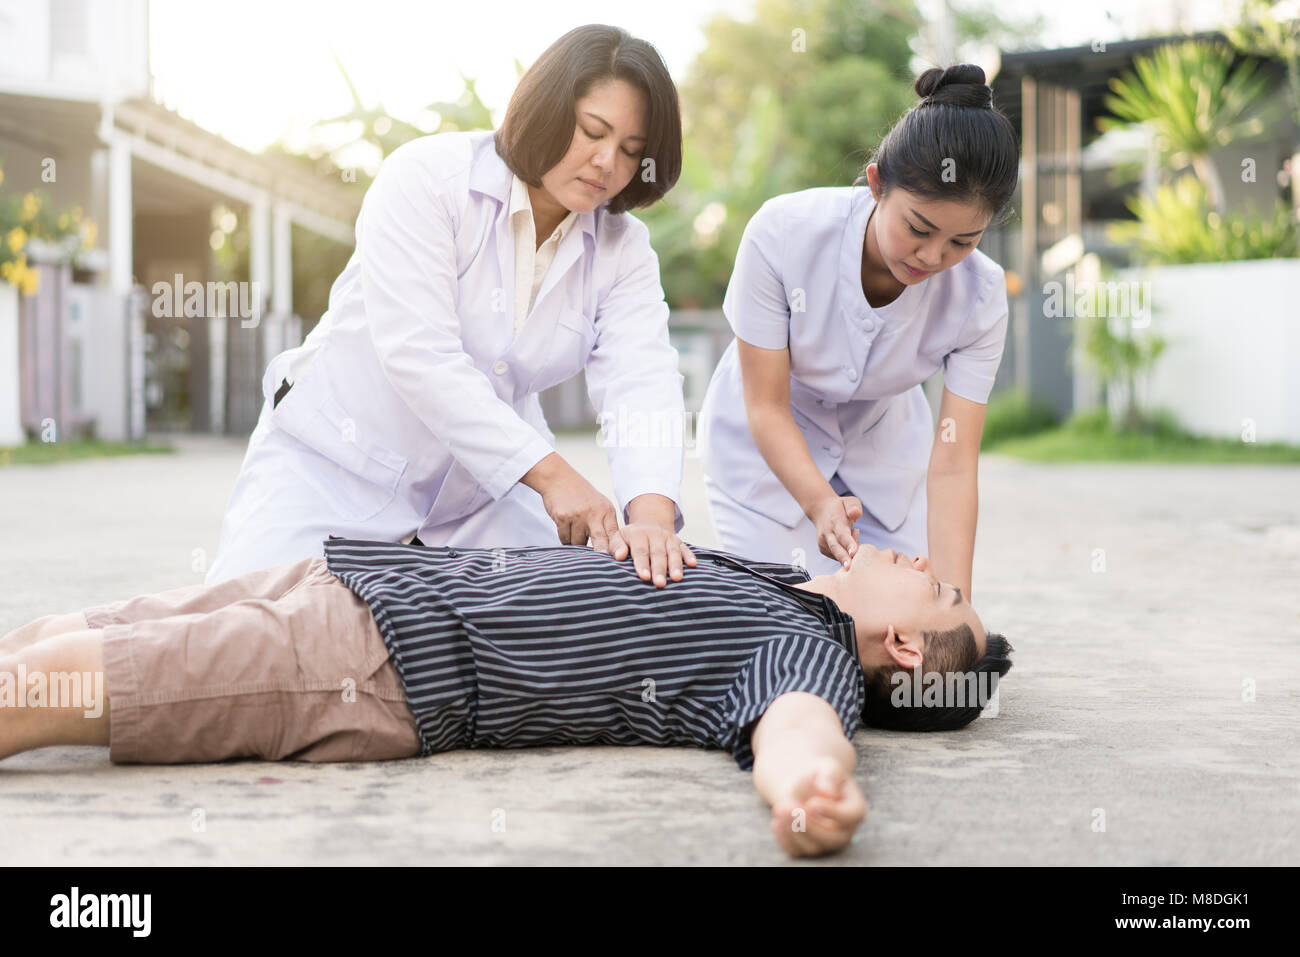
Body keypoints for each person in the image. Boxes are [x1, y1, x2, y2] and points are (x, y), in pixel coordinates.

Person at [0, 540, 1013, 858]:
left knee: (33, 694)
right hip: (354, 579)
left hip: (374, 660)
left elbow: (802, 734)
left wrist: (812, 793)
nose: (924, 559)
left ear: (907, 646)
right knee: (48, 641)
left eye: (938, 586)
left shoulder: (805, 653)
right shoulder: (777, 578)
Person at [207, 24, 696, 592]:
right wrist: (554, 474)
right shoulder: (429, 179)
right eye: (593, 131)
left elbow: (642, 378)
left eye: (632, 152)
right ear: (546, 106)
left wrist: (653, 518)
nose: (607, 161)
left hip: (480, 496)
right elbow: (420, 355)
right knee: (248, 623)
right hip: (333, 463)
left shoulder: (624, 246)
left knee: (566, 619)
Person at [697, 64, 1020, 597]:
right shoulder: (782, 234)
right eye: (918, 228)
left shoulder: (981, 297)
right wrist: (820, 502)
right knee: (794, 620)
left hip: (884, 457)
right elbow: (767, 408)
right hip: (767, 455)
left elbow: (955, 463)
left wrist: (955, 610)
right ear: (876, 184)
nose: (934, 257)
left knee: (905, 617)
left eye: (964, 241)